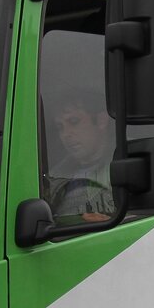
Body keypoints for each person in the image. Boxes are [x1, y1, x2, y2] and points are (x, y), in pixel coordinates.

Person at [45, 91, 115, 221]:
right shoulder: (53, 177)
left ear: (101, 121)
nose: (66, 134)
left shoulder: (131, 159)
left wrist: (111, 221)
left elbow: (148, 221)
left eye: (74, 121)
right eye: (60, 127)